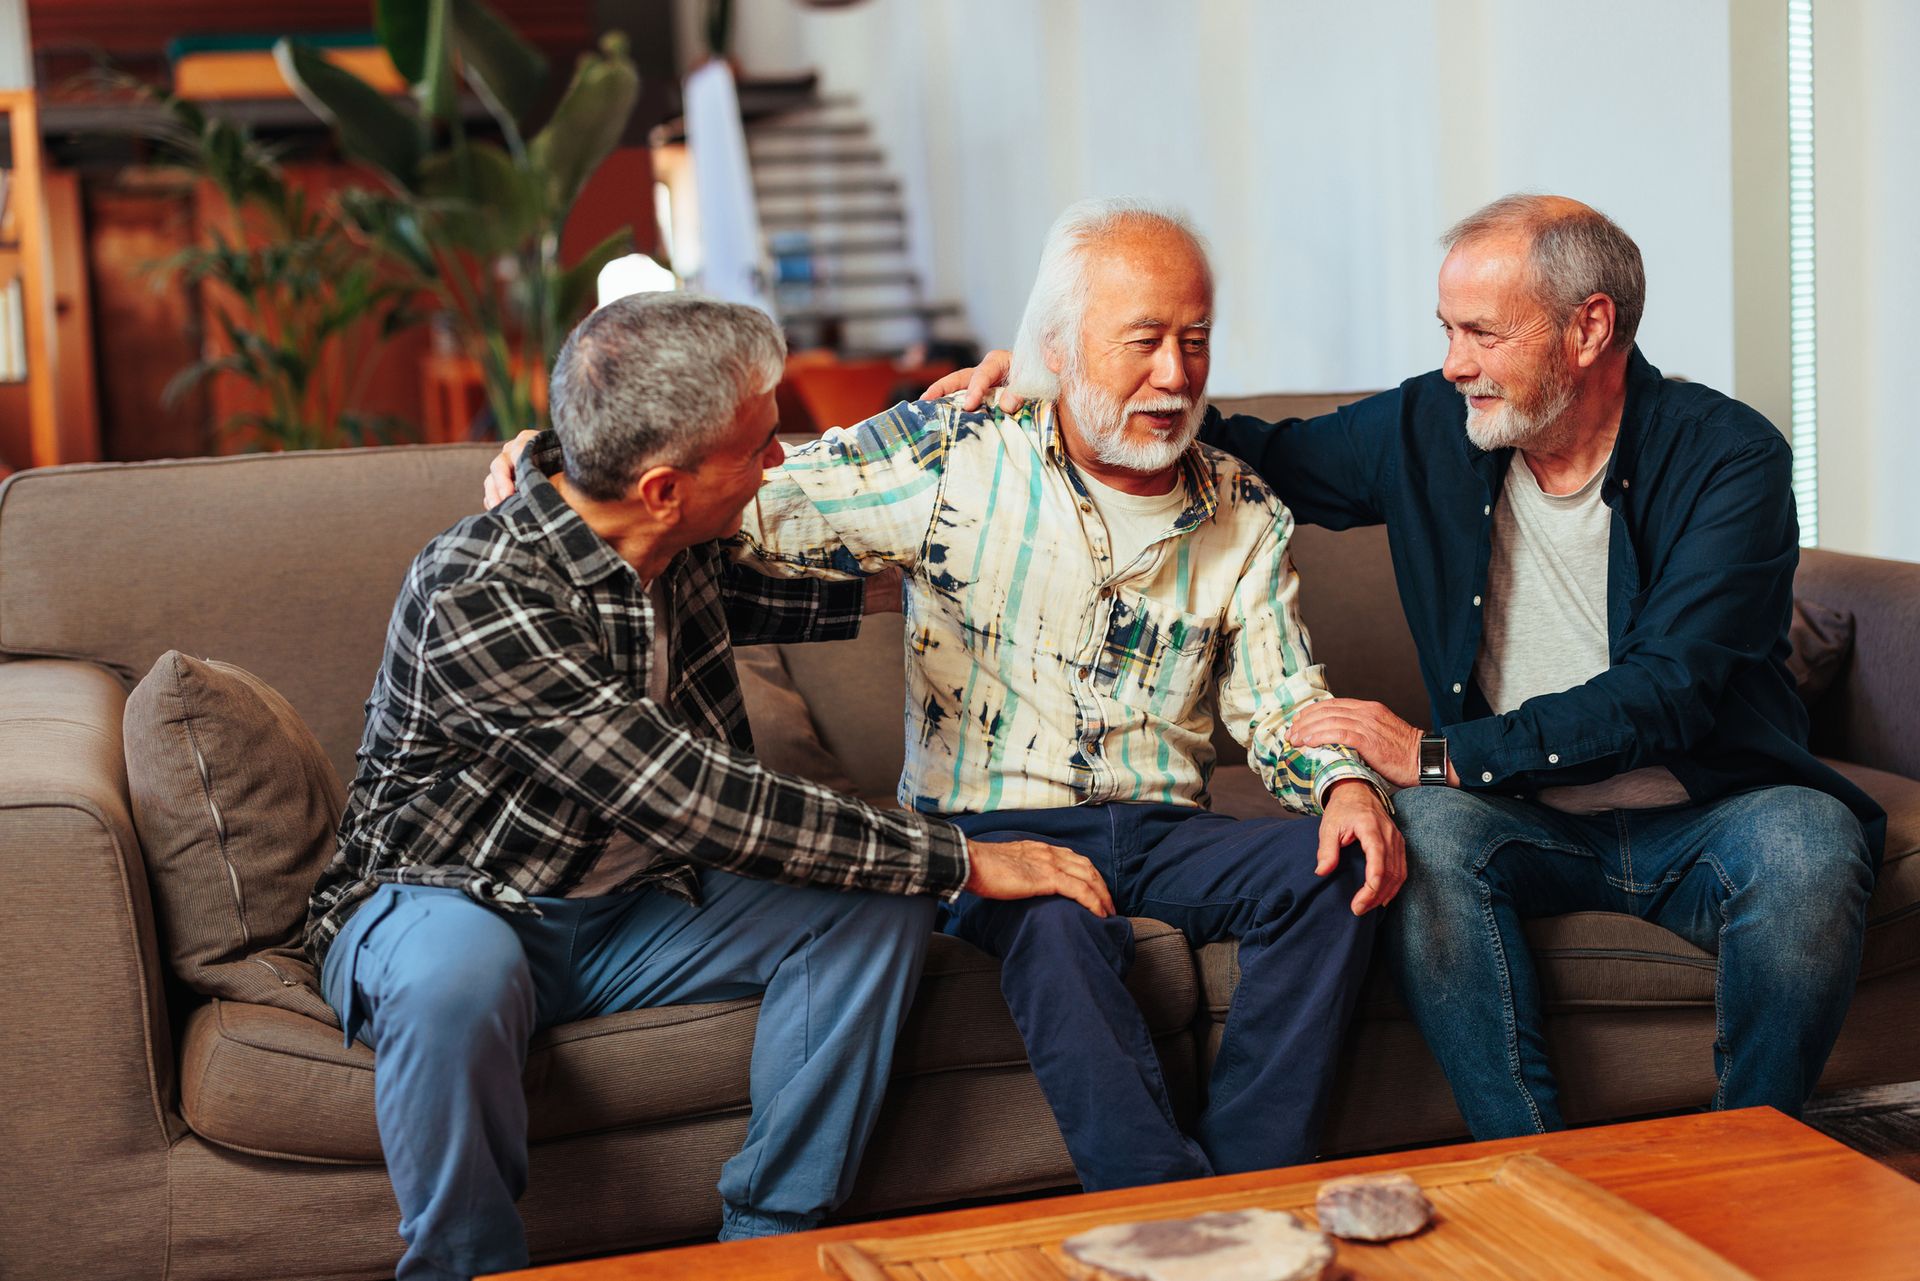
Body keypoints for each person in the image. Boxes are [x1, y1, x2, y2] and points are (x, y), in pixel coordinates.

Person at [489, 199, 1405, 1192]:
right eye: (1143, 342)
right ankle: (1166, 1213)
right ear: (1057, 345)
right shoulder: (953, 453)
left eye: (1196, 341)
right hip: (991, 826)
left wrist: (1344, 787)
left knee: (1336, 871)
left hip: (1161, 825)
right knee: (1053, 930)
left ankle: (1252, 1193)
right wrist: (574, 465)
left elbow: (1279, 704)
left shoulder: (1244, 511)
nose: (1177, 375)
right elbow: (740, 504)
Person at [937, 193, 1884, 1139]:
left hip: (1711, 812)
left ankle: (1754, 1149)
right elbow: (1255, 456)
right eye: (1447, 329)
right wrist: (1061, 386)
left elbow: (1669, 689)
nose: (1453, 361)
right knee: (1421, 831)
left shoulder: (1730, 458)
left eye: (1482, 332)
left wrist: (1439, 754)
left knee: (1812, 839)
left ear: (1590, 327)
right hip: (1520, 822)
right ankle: (1534, 1168)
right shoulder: (1437, 423)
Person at [309, 293, 1111, 1281]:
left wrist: (990, 428)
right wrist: (959, 858)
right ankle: (460, 1269)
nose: (776, 462)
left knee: (875, 908)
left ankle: (770, 1246)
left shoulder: (672, 543)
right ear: (660, 487)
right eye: (756, 448)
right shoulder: (480, 591)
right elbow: (701, 799)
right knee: (456, 978)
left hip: (635, 913)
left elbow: (866, 572)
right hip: (446, 899)